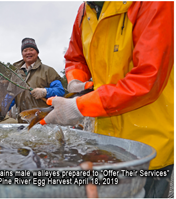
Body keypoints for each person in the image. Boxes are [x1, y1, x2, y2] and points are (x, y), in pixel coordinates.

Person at [41, 2, 173, 198]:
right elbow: (75, 58)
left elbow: (148, 78)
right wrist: (76, 79)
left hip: (149, 147)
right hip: (103, 144)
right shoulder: (83, 12)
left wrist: (79, 107)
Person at [8, 37, 65, 123]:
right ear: (22, 54)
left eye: (31, 50)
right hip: (22, 122)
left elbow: (60, 91)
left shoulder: (48, 71)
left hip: (45, 121)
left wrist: (45, 92)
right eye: (25, 50)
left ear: (37, 52)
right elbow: (10, 96)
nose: (28, 53)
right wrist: (0, 110)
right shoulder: (16, 74)